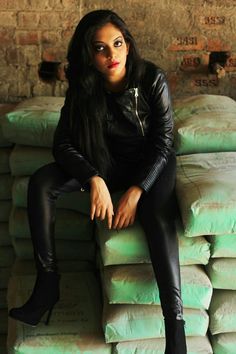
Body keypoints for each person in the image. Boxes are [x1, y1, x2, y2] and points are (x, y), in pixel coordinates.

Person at [9, 9, 187, 353]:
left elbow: (164, 143)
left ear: (128, 44)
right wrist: (93, 179)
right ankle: (47, 286)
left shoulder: (152, 78)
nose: (112, 55)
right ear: (89, 54)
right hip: (105, 165)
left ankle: (176, 331)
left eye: (117, 44)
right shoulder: (84, 86)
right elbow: (62, 143)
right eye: (101, 48)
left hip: (151, 165)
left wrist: (136, 191)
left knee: (156, 215)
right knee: (41, 182)